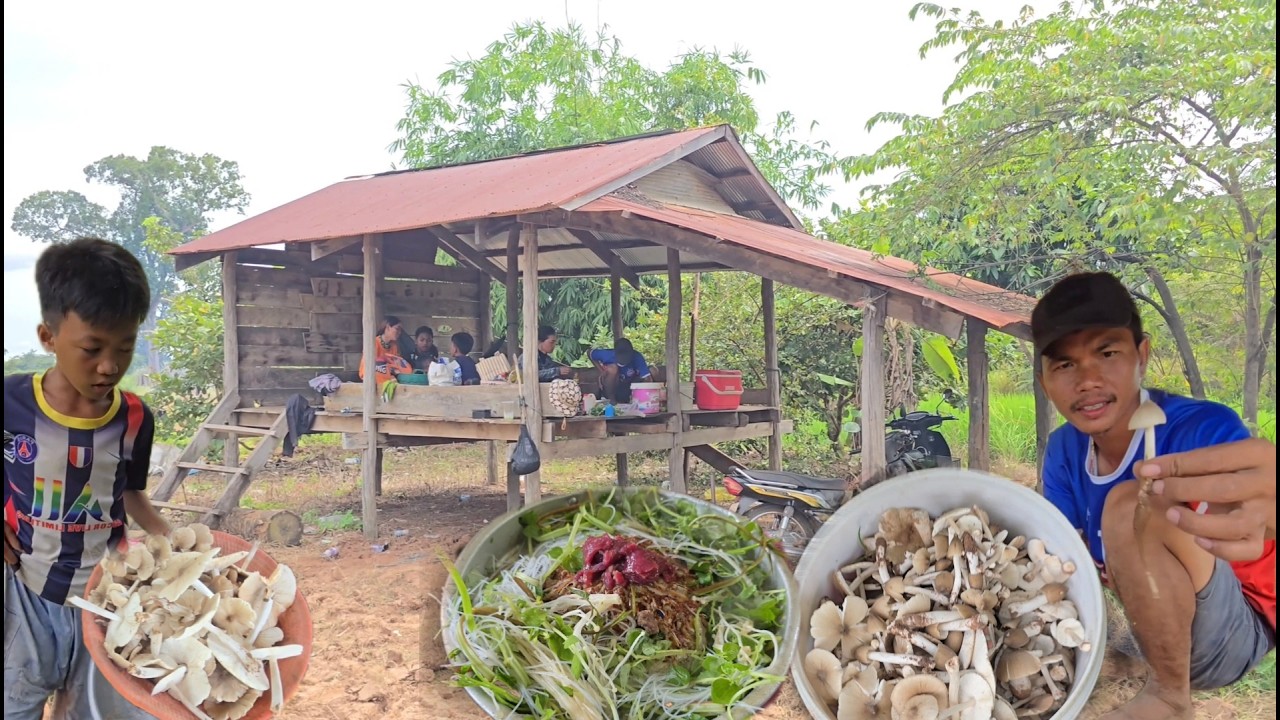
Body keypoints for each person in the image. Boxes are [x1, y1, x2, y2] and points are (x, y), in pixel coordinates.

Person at [1033, 272, 1275, 720]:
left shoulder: (1204, 430)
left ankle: (1169, 697)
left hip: (1237, 629)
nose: (1086, 379)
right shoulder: (1065, 451)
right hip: (1154, 622)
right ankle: (1132, 656)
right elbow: (1063, 560)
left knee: (1134, 501)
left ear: (1141, 355)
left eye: (1107, 353)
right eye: (1064, 365)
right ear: (1045, 380)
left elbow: (1258, 504)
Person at [4, 237, 170, 720]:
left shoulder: (135, 417)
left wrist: (177, 545)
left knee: (93, 712)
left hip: (107, 600)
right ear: (48, 336)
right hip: (26, 593)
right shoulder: (11, 402)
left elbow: (132, 495)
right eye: (92, 348)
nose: (109, 366)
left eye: (125, 347)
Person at [590, 337, 652, 403]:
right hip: (612, 386)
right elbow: (589, 353)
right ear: (615, 353)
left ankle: (635, 398)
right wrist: (601, 371)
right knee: (612, 369)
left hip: (629, 386)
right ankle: (611, 398)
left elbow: (647, 377)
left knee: (653, 370)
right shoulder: (607, 355)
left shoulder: (637, 356)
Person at [359, 316, 412, 384]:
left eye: (400, 330)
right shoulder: (374, 343)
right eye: (397, 329)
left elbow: (396, 365)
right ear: (387, 327)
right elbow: (370, 366)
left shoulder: (394, 346)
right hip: (371, 378)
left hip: (388, 377)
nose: (399, 332)